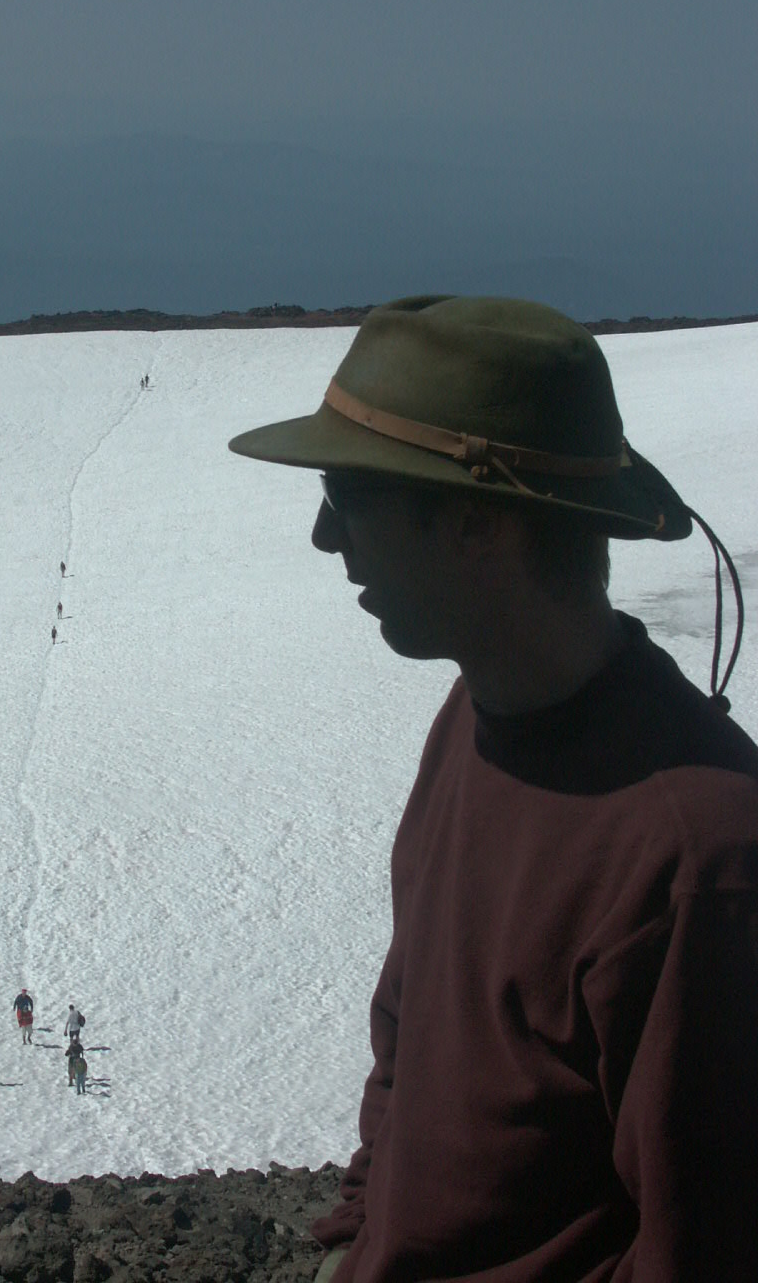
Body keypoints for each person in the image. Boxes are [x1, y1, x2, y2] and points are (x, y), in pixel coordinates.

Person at [228, 294, 757, 1283]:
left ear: (477, 521)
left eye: (348, 492)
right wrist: (358, 1237)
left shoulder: (700, 857)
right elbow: (411, 1037)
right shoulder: (477, 716)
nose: (325, 536)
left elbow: (703, 1249)